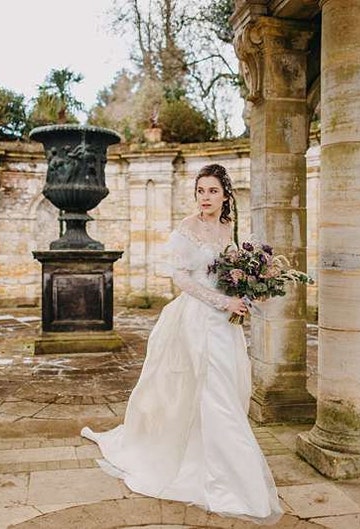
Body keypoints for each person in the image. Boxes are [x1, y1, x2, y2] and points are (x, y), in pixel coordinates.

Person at [82, 164, 283, 525]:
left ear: (225, 195)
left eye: (211, 191)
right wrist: (224, 302)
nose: (205, 198)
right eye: (200, 191)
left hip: (226, 324)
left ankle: (219, 462)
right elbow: (180, 278)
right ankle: (226, 477)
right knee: (211, 391)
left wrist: (249, 295)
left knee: (226, 389)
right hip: (197, 321)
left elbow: (231, 275)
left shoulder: (227, 228)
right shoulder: (186, 229)